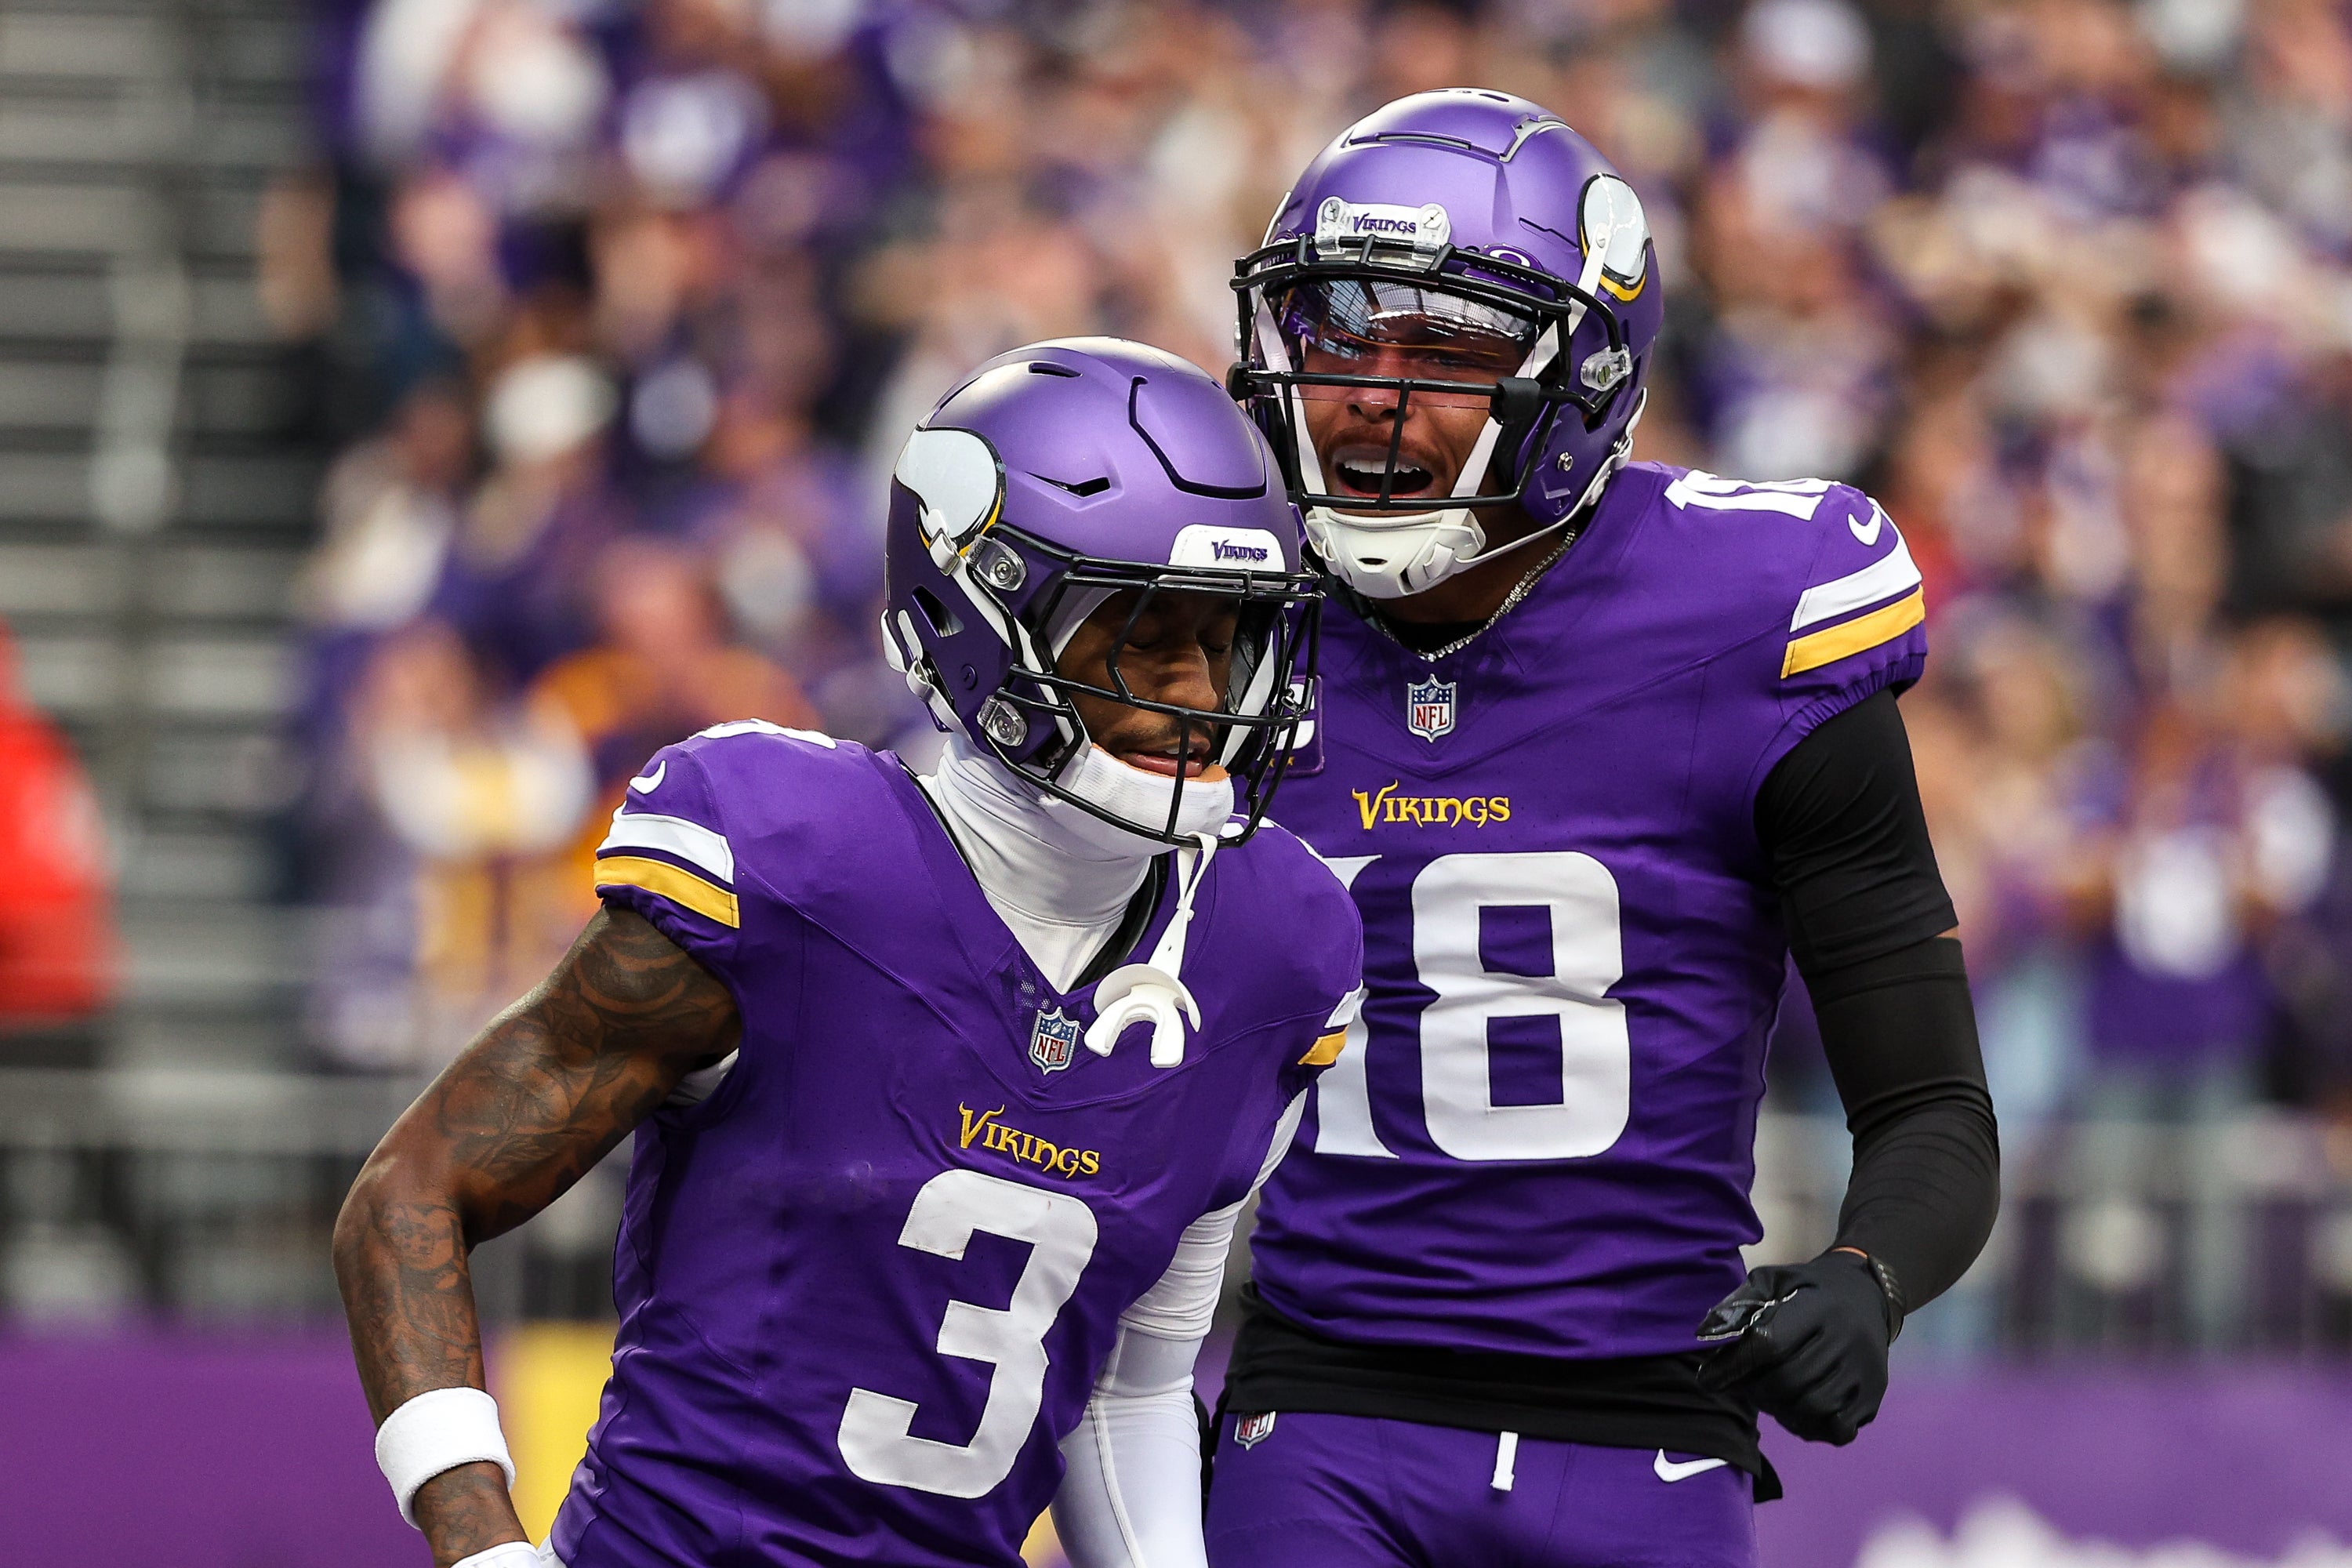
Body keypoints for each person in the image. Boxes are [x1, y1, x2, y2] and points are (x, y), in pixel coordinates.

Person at [333, 338, 1362, 1568]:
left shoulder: (1270, 949)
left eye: (1231, 638)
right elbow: (410, 1193)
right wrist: (483, 1542)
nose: (1203, 691)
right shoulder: (795, 860)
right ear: (982, 619)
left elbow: (1127, 1390)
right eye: (1146, 636)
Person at [1207, 90, 2002, 1567]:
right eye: (1338, 337)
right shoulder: (1224, 617)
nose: (1377, 395)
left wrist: (1866, 1277)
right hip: (1321, 1400)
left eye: (1445, 348)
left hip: (1650, 1414)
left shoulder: (1750, 616)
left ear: (1583, 377)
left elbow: (1933, 1107)